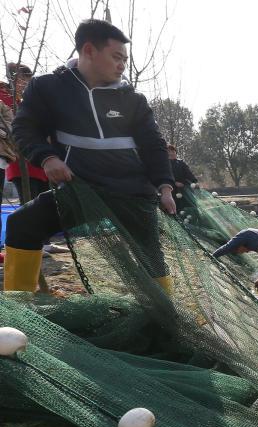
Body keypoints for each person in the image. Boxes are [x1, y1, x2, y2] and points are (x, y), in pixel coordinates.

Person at [2, 19, 176, 294]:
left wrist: (165, 186)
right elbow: (24, 129)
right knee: (22, 223)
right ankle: (19, 306)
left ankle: (166, 316)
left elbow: (153, 145)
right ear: (89, 50)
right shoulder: (48, 88)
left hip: (132, 194)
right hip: (79, 190)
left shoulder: (133, 100)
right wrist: (47, 158)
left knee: (151, 257)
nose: (122, 65)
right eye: (116, 57)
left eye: (125, 60)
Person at [2, 65, 50, 205]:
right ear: (15, 79)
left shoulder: (23, 102)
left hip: (38, 164)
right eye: (24, 81)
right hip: (21, 163)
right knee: (30, 207)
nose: (26, 85)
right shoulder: (5, 98)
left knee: (44, 208)